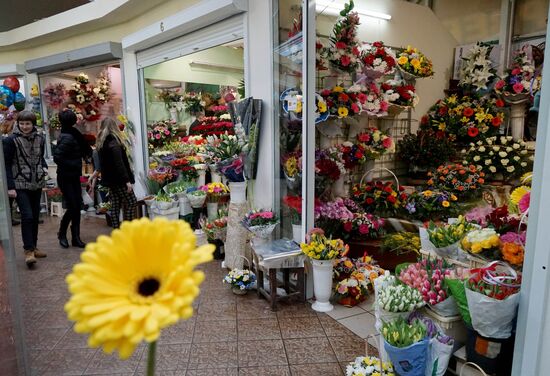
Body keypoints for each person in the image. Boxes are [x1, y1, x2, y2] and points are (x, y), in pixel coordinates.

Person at [2, 111, 47, 268]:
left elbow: (40, 158)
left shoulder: (40, 139)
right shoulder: (10, 141)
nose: (25, 126)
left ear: (33, 124)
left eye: (28, 124)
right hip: (19, 183)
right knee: (27, 216)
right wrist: (10, 186)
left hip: (37, 183)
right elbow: (6, 164)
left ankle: (33, 247)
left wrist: (44, 170)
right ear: (18, 124)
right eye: (22, 123)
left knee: (35, 216)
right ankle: (28, 251)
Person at [53, 109, 92, 248]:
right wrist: (74, 163)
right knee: (74, 206)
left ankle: (75, 237)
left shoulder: (72, 134)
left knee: (76, 206)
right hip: (66, 176)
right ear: (74, 120)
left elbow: (85, 149)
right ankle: (62, 233)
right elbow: (57, 157)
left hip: (72, 175)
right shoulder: (68, 136)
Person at [96, 117, 136, 228]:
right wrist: (127, 180)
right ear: (114, 127)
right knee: (131, 201)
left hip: (110, 180)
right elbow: (119, 163)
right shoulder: (114, 142)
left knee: (115, 205)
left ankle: (116, 230)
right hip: (119, 179)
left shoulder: (102, 142)